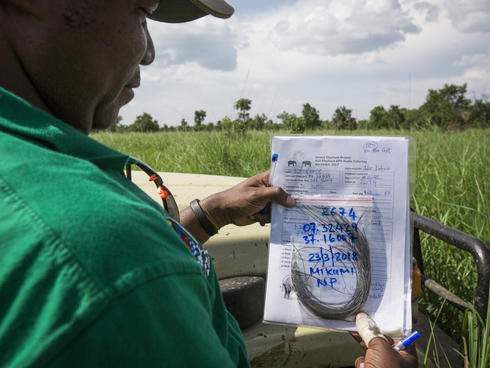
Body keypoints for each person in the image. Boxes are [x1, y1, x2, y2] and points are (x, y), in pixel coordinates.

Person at [0, 0, 416, 366]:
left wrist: (208, 214)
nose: (149, 52)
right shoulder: (108, 252)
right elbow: (104, 255)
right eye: (142, 12)